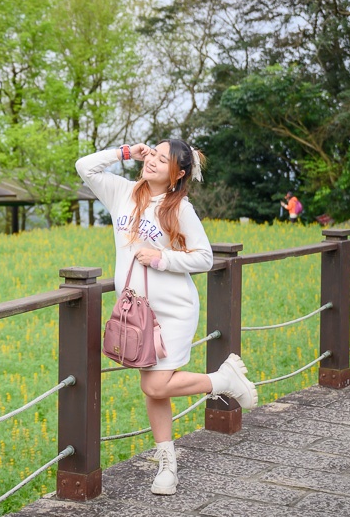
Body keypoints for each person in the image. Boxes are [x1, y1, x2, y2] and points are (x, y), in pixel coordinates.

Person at [76, 140, 257, 496]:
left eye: (164, 160)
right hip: (138, 312)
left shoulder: (180, 209)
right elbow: (85, 166)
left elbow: (204, 257)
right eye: (153, 154)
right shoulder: (122, 193)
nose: (154, 162)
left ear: (178, 174)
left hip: (174, 310)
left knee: (155, 385)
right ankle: (167, 465)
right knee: (154, 388)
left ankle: (222, 381)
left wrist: (162, 259)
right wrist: (126, 152)